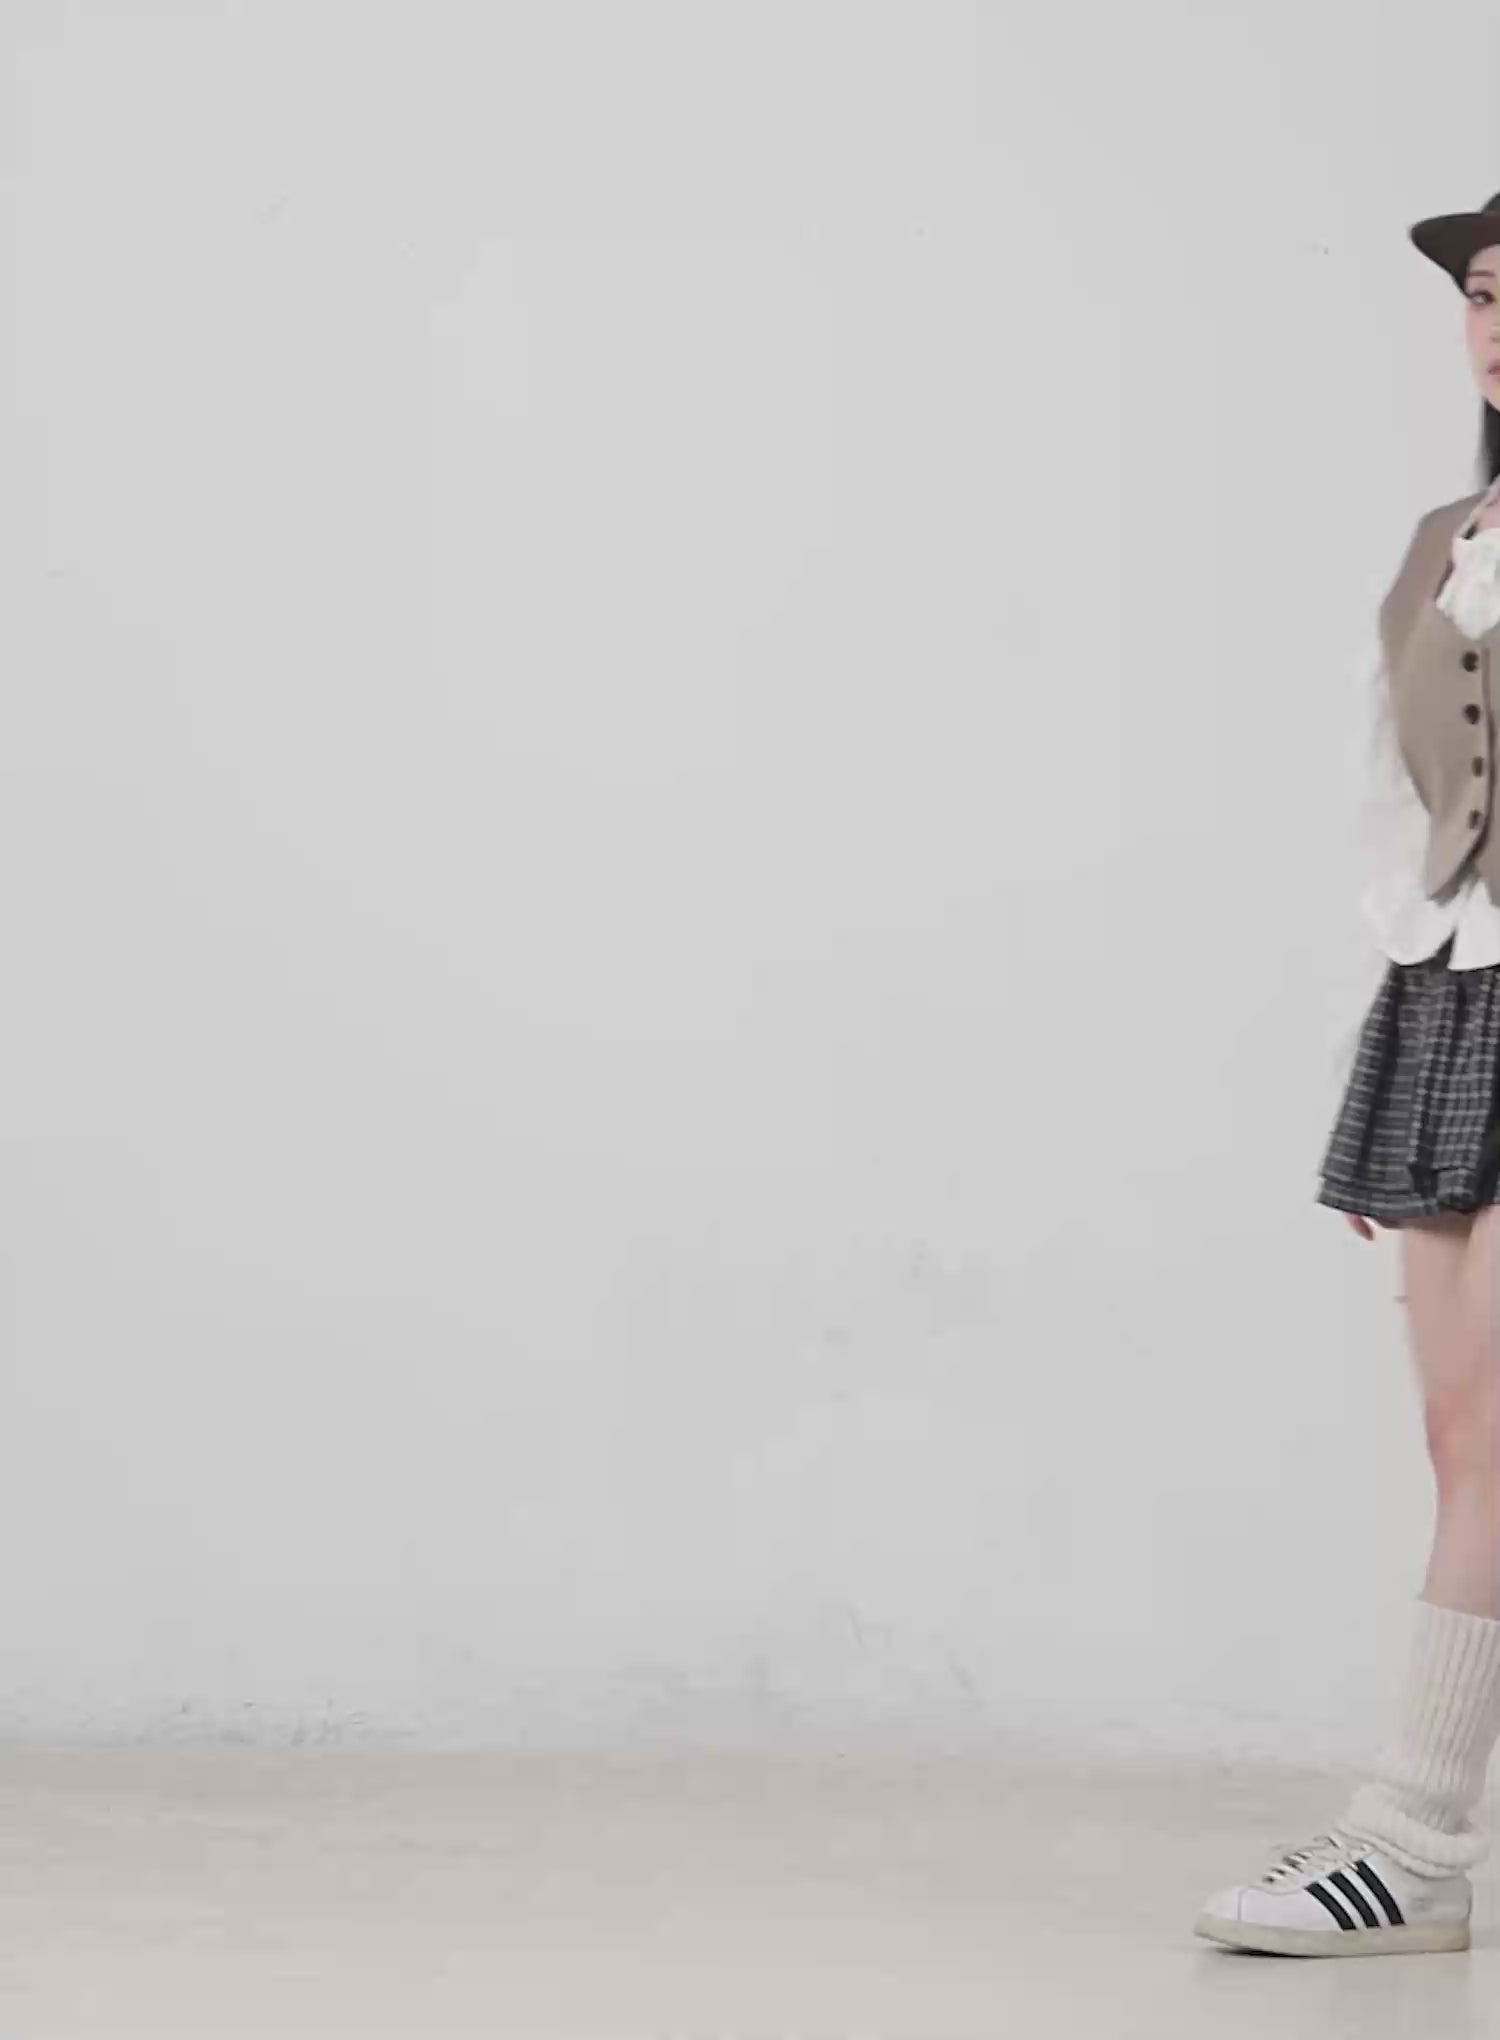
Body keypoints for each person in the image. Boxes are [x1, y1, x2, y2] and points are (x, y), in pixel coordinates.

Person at [1194, 191, 1500, 1958]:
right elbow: (1391, 805)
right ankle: (1427, 1853)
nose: (1497, 325)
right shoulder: (1444, 541)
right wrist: (1366, 1054)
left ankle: (1414, 1835)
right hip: (1455, 1000)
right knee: (1464, 1438)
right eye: (1483, 295)